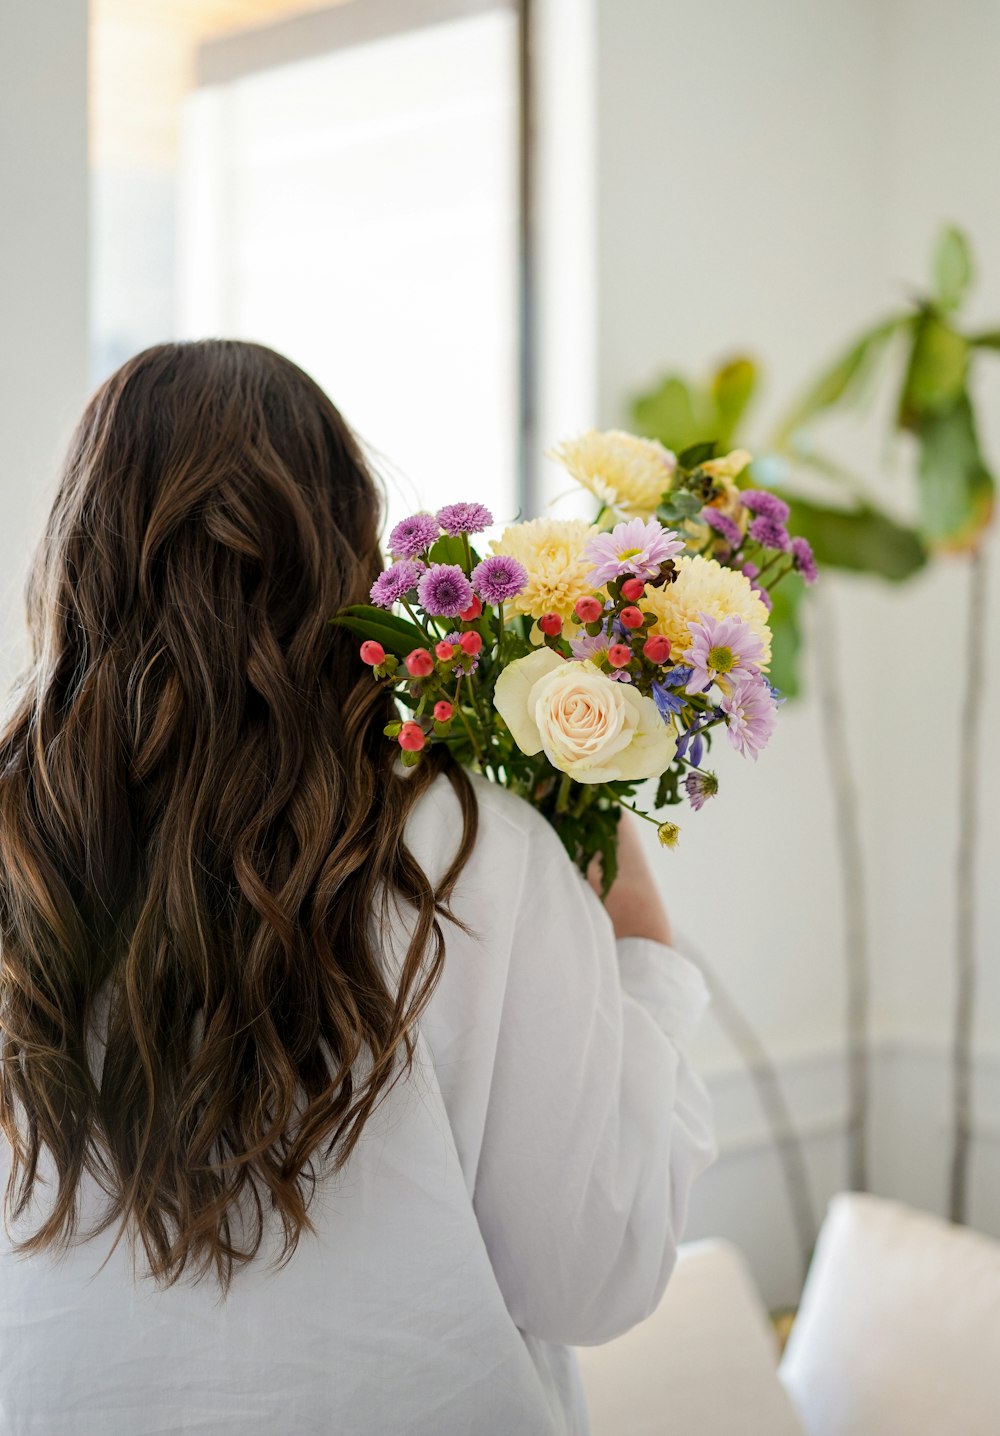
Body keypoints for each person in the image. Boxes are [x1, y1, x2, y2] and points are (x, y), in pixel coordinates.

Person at [0, 340, 716, 1435]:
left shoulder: (19, 845)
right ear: (347, 549)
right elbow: (593, 1274)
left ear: (73, 551)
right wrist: (641, 951)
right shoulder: (474, 846)